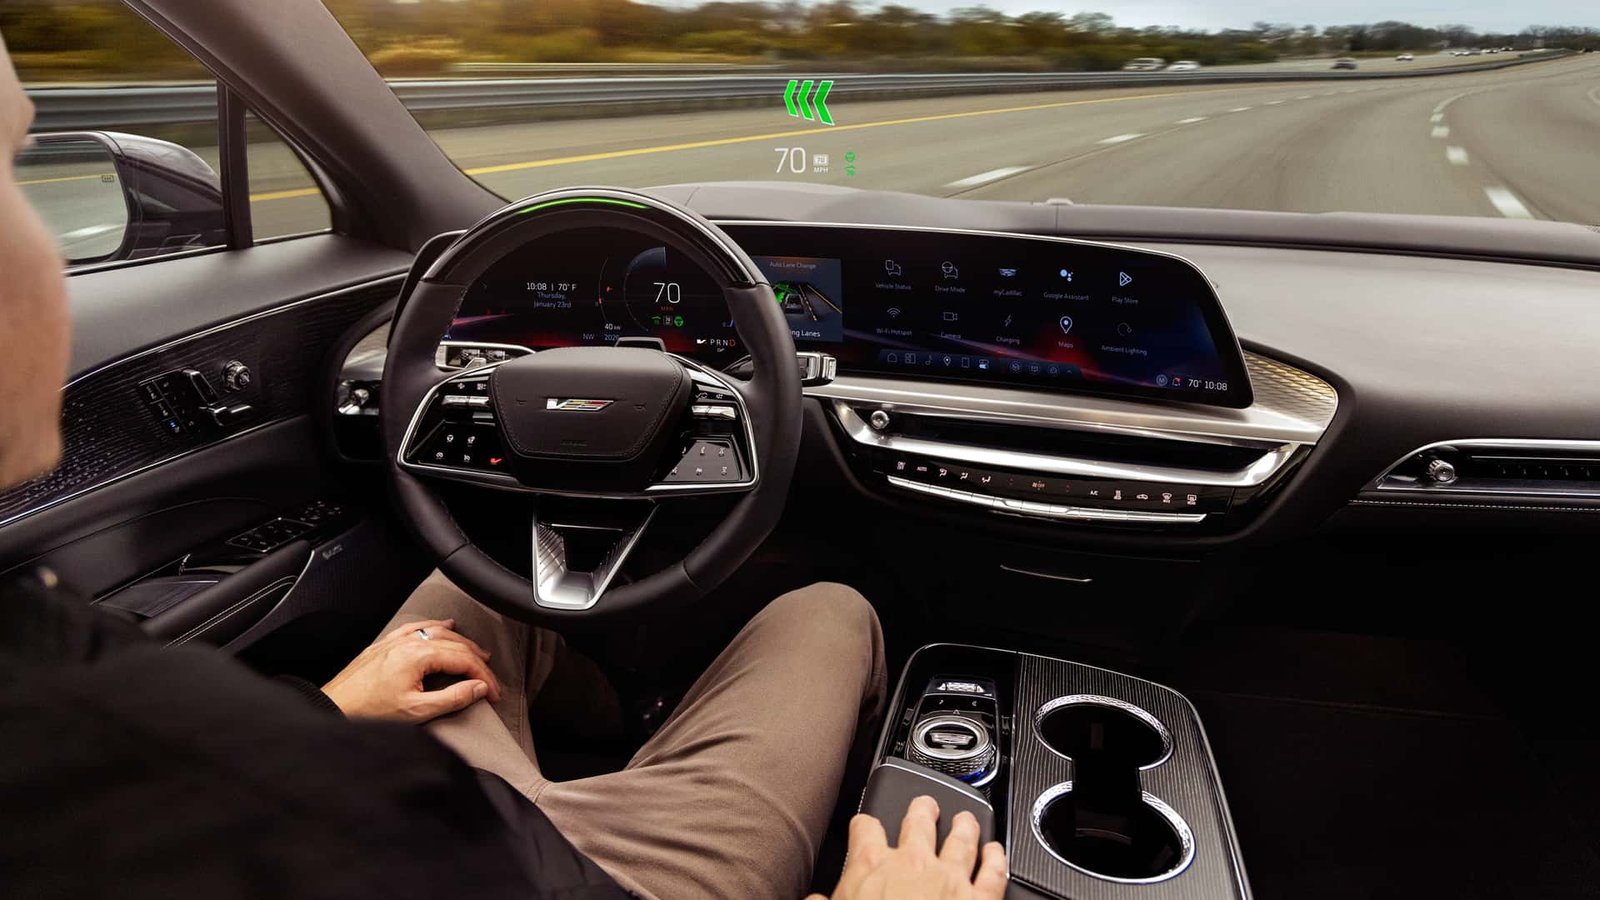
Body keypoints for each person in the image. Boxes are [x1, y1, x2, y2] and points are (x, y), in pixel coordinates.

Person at [0, 32, 1008, 900]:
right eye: (13, 172)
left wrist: (326, 713)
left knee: (461, 590)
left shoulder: (69, 704)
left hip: (442, 821)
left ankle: (630, 723)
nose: (50, 250)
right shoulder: (105, 721)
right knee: (826, 610)